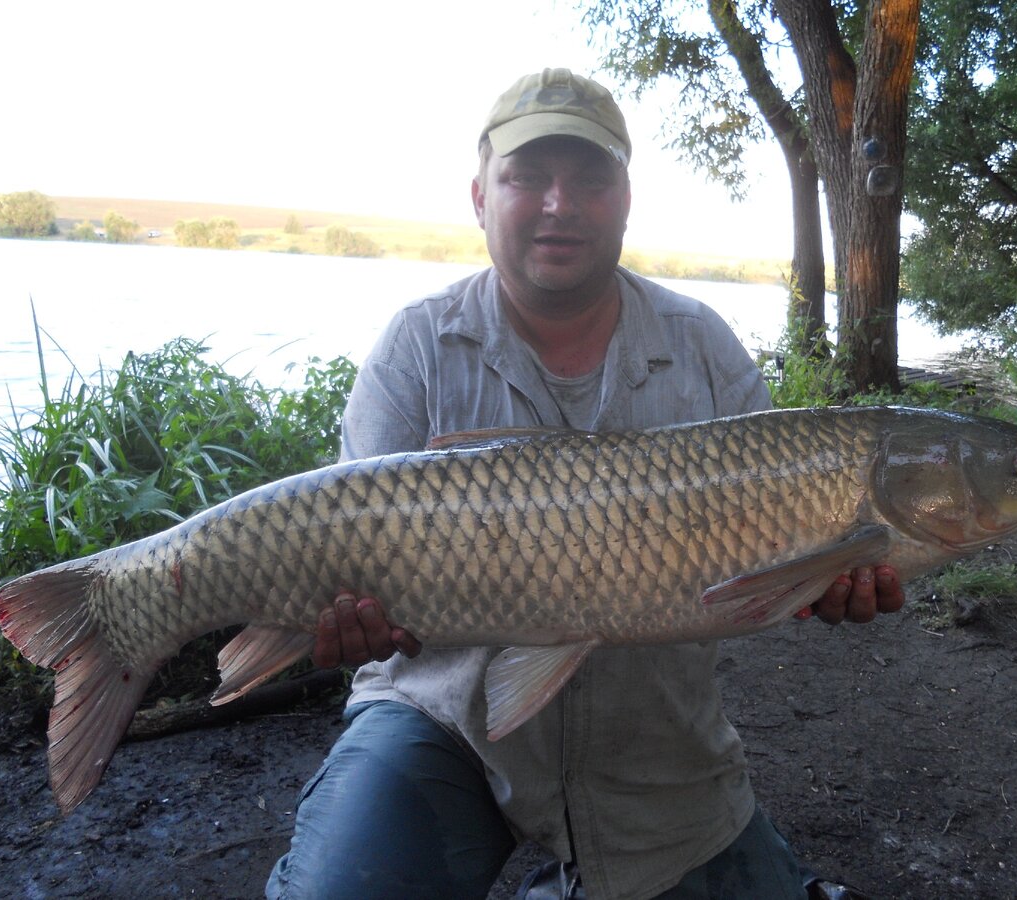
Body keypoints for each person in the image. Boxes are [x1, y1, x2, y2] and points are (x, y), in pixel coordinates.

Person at [266, 68, 904, 900]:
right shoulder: (416, 347)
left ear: (626, 198)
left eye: (589, 178)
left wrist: (830, 582)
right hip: (443, 713)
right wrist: (344, 617)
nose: (558, 203)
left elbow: (795, 560)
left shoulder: (704, 346)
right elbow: (345, 553)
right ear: (479, 197)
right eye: (526, 177)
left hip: (657, 734)